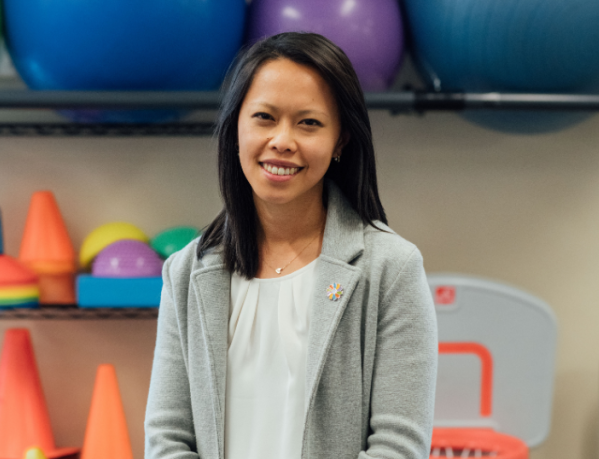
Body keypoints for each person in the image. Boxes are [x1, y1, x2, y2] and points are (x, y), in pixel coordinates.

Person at [145, 32, 438, 459]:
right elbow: (168, 438)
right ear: (235, 128)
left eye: (309, 123)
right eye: (264, 117)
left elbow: (399, 445)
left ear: (340, 141)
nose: (283, 140)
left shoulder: (391, 267)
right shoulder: (185, 272)